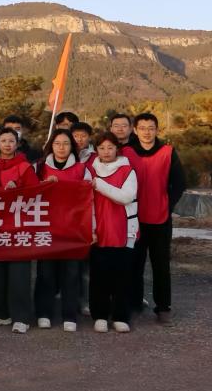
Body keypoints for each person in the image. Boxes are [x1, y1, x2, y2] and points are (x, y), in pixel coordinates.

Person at [124, 113, 186, 326]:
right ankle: (134, 304)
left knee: (161, 265)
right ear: (135, 130)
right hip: (134, 218)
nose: (147, 132)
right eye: (142, 128)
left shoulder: (168, 152)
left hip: (160, 219)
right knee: (134, 264)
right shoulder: (127, 152)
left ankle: (163, 308)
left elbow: (179, 183)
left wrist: (167, 206)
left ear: (157, 130)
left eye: (151, 128)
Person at [0, 128, 39, 334]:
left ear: (17, 144)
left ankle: (21, 317)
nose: (7, 144)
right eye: (3, 141)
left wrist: (18, 186)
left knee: (19, 273)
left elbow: (35, 192)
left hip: (18, 225)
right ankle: (2, 313)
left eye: (11, 141)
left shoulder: (24, 166)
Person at [85, 133, 140, 333]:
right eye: (102, 148)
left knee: (122, 277)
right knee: (98, 277)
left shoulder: (127, 170)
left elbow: (126, 197)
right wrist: (90, 229)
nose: (106, 152)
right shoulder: (90, 170)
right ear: (96, 150)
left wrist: (99, 184)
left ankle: (120, 316)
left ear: (117, 149)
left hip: (123, 230)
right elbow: (86, 203)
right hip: (98, 230)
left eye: (110, 147)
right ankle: (100, 315)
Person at [33, 129, 86, 332]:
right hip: (46, 228)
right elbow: (28, 191)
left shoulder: (82, 168)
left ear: (72, 146)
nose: (61, 147)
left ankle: (69, 315)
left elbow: (88, 196)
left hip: (73, 229)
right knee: (45, 273)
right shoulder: (40, 167)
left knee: (71, 274)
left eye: (65, 143)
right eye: (57, 143)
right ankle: (43, 313)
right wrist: (43, 186)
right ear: (51, 146)